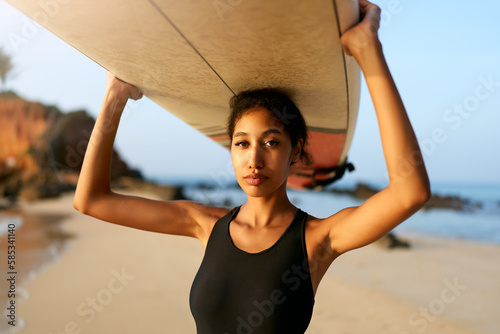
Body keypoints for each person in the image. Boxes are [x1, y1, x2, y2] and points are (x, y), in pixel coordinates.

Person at [73, 1, 430, 332]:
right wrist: (114, 98)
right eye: (242, 143)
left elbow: (409, 192)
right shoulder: (203, 224)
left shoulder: (318, 239)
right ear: (231, 151)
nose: (254, 160)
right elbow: (91, 200)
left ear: (297, 151)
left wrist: (370, 53)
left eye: (272, 142)